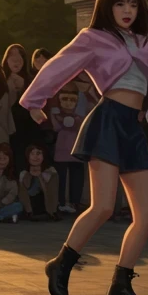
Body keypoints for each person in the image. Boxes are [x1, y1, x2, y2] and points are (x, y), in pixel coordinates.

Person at [22, 0, 148, 295]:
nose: (127, 10)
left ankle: (120, 286)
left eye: (133, 4)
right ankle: (62, 264)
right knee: (104, 206)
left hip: (133, 128)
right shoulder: (94, 38)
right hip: (107, 121)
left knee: (147, 217)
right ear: (107, 6)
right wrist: (36, 100)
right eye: (120, 3)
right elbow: (59, 66)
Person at [49, 82, 84, 214]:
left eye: (72, 100)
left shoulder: (80, 116)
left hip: (77, 149)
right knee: (61, 177)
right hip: (62, 149)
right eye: (64, 99)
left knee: (77, 177)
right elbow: (56, 127)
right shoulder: (57, 113)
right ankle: (61, 201)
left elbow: (76, 125)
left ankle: (75, 201)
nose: (68, 103)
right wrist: (55, 115)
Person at [19, 143, 60, 221]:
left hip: (46, 206)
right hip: (30, 207)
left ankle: (50, 213)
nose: (35, 157)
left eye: (38, 153)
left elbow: (53, 192)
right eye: (32, 154)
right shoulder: (24, 173)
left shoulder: (51, 172)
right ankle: (29, 212)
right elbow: (23, 193)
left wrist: (40, 177)